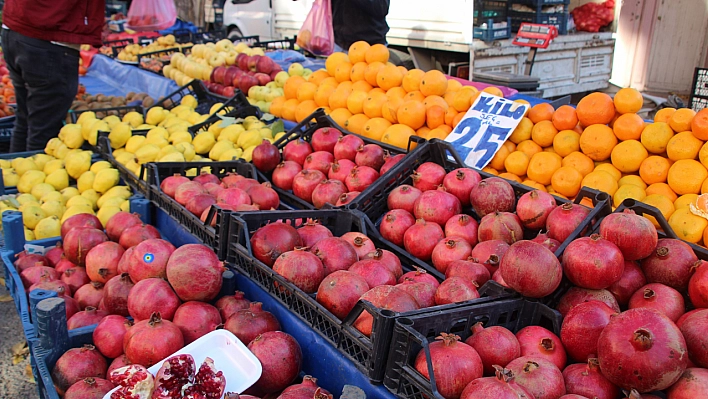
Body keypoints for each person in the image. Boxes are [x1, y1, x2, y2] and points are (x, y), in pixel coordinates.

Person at [2, 0, 105, 152]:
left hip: (17, 28)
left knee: (26, 119)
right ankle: (31, 172)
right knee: (42, 133)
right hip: (48, 36)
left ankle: (14, 172)